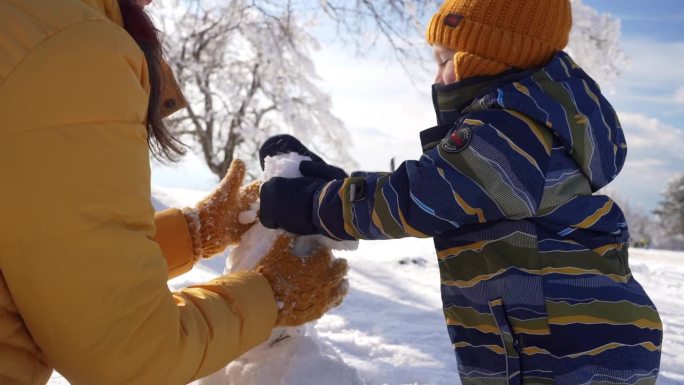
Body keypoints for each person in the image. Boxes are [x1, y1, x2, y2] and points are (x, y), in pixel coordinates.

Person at [258, 0, 663, 383]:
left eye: (446, 61)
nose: (437, 77)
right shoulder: (526, 129)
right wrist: (341, 187)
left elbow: (422, 196)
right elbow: (440, 182)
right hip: (573, 337)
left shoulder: (514, 130)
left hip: (566, 350)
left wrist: (313, 203)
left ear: (491, 58)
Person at [0, 0, 348, 384]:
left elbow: (44, 252)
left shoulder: (28, 24)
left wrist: (194, 233)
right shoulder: (75, 47)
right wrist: (272, 295)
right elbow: (127, 351)